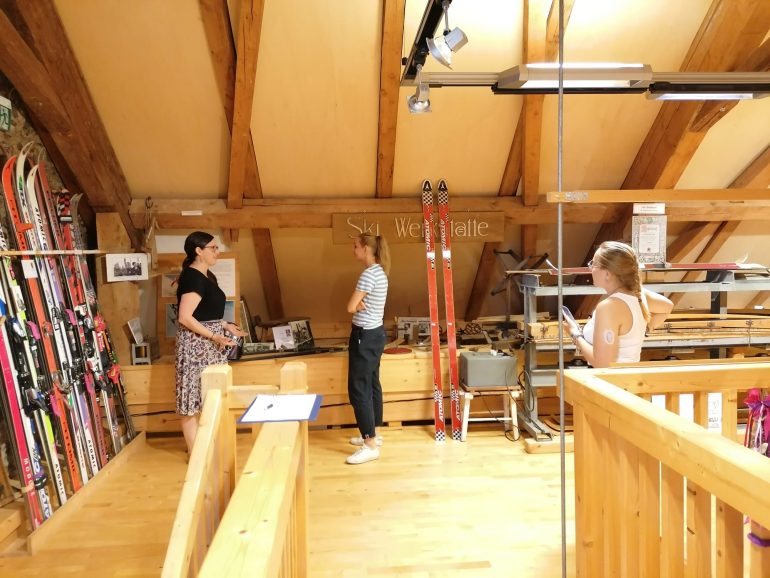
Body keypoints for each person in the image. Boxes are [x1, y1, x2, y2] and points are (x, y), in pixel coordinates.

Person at [175, 231, 247, 452]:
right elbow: (185, 317)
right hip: (196, 346)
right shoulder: (192, 277)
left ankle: (207, 449)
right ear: (198, 251)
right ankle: (196, 454)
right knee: (191, 401)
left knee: (209, 396)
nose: (218, 252)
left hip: (210, 344)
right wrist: (214, 335)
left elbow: (206, 312)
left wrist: (225, 326)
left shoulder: (207, 277)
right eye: (213, 248)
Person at [563, 241, 673, 368]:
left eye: (593, 264)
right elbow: (667, 307)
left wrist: (575, 334)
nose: (591, 268)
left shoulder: (609, 307)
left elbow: (603, 364)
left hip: (610, 383)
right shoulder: (639, 295)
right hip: (628, 380)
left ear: (607, 274)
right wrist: (644, 329)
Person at [345, 233, 390, 465]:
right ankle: (374, 433)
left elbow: (350, 306)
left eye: (355, 246)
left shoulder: (367, 274)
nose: (353, 250)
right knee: (372, 383)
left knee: (358, 388)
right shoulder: (380, 272)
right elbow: (358, 305)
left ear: (366, 249)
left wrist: (357, 304)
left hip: (364, 337)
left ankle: (370, 443)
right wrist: (360, 304)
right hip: (376, 335)